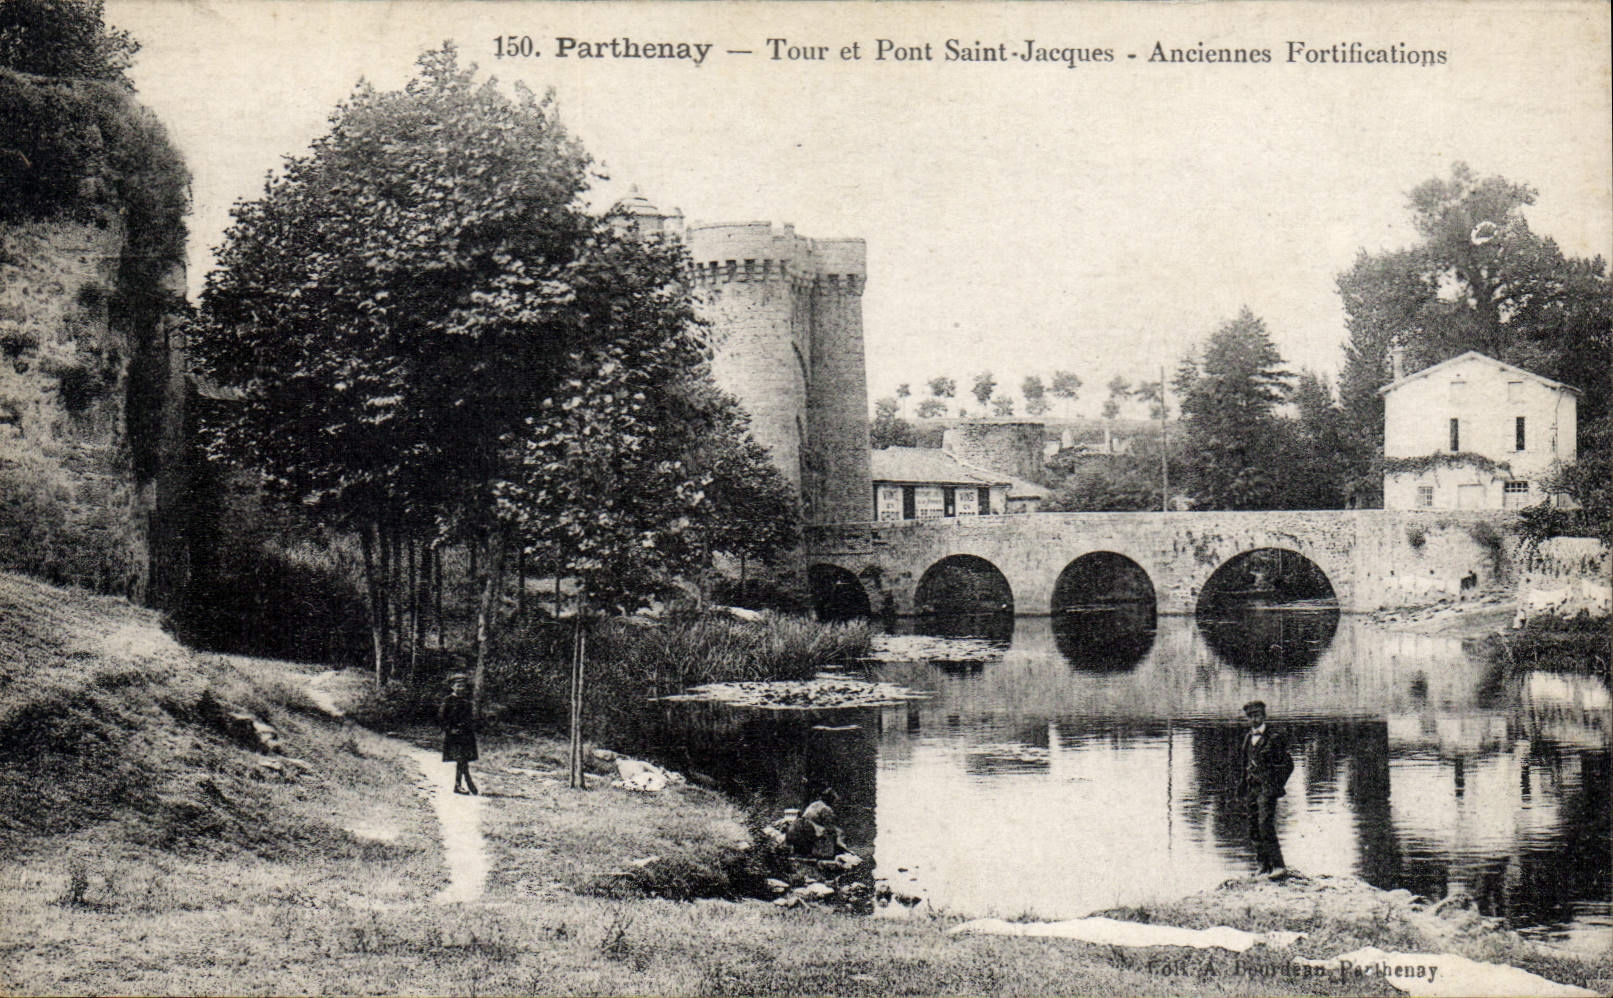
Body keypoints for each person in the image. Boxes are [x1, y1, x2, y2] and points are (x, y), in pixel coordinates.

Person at [1236, 700, 1293, 878]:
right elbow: (1245, 764)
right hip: (1252, 788)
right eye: (1251, 716)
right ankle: (1263, 865)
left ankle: (1278, 866)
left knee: (1265, 824)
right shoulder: (1248, 738)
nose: (1255, 719)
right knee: (1253, 826)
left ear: (1264, 716)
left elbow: (1288, 764)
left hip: (1267, 789)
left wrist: (1276, 785)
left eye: (1258, 715)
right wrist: (1242, 785)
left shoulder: (1275, 736)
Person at [439, 674, 479, 795]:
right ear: (452, 686)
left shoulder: (467, 702)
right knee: (461, 759)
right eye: (458, 685)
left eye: (463, 686)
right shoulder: (448, 701)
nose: (461, 688)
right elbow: (441, 718)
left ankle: (461, 783)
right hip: (454, 735)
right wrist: (449, 729)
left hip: (466, 735)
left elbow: (471, 718)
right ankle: (464, 782)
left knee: (463, 759)